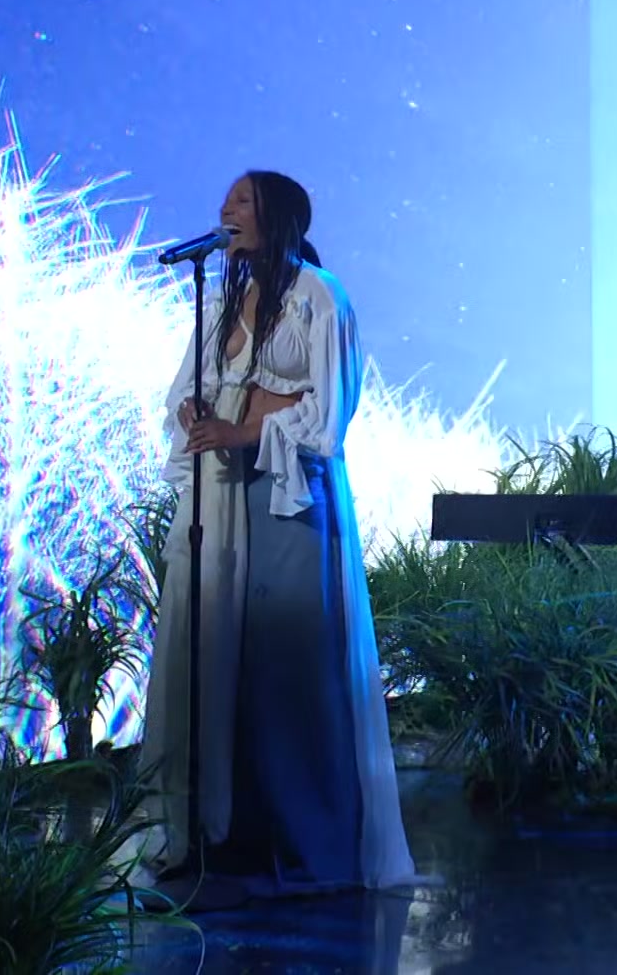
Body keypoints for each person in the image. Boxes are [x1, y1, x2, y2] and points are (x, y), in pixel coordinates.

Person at [140, 170, 420, 893]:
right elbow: (187, 387)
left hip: (290, 496)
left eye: (242, 200)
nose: (226, 209)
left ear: (278, 216)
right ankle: (223, 835)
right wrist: (197, 415)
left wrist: (243, 426)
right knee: (221, 660)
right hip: (222, 495)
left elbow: (327, 416)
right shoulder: (221, 299)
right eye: (226, 198)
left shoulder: (320, 297)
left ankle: (307, 845)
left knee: (289, 665)